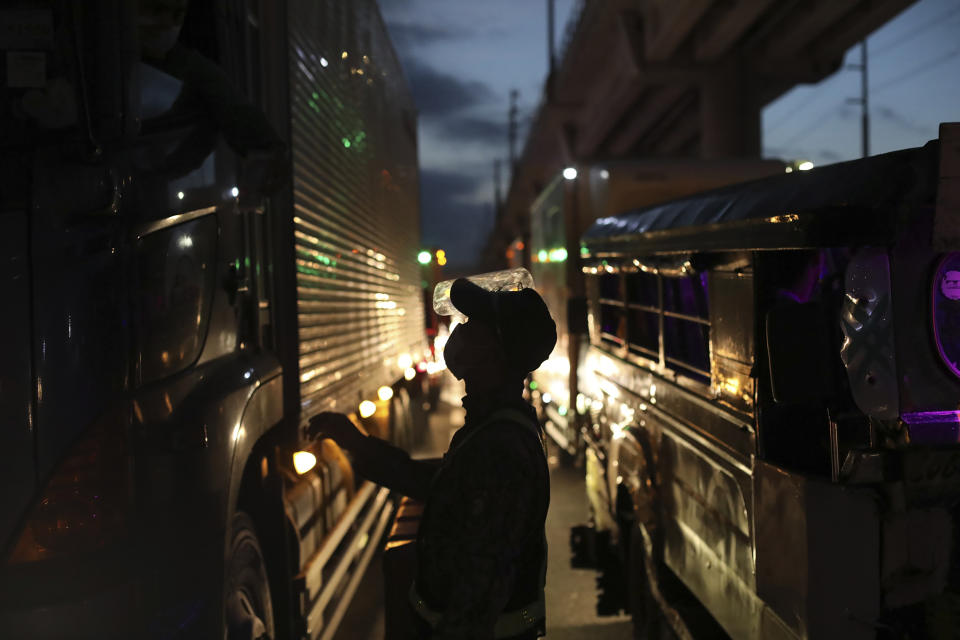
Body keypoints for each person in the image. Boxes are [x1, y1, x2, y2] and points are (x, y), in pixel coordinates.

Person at [309, 277, 557, 640]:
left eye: (474, 328)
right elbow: (445, 487)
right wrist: (358, 444)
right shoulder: (493, 426)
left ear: (496, 352)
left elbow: (476, 601)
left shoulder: (500, 447)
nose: (460, 334)